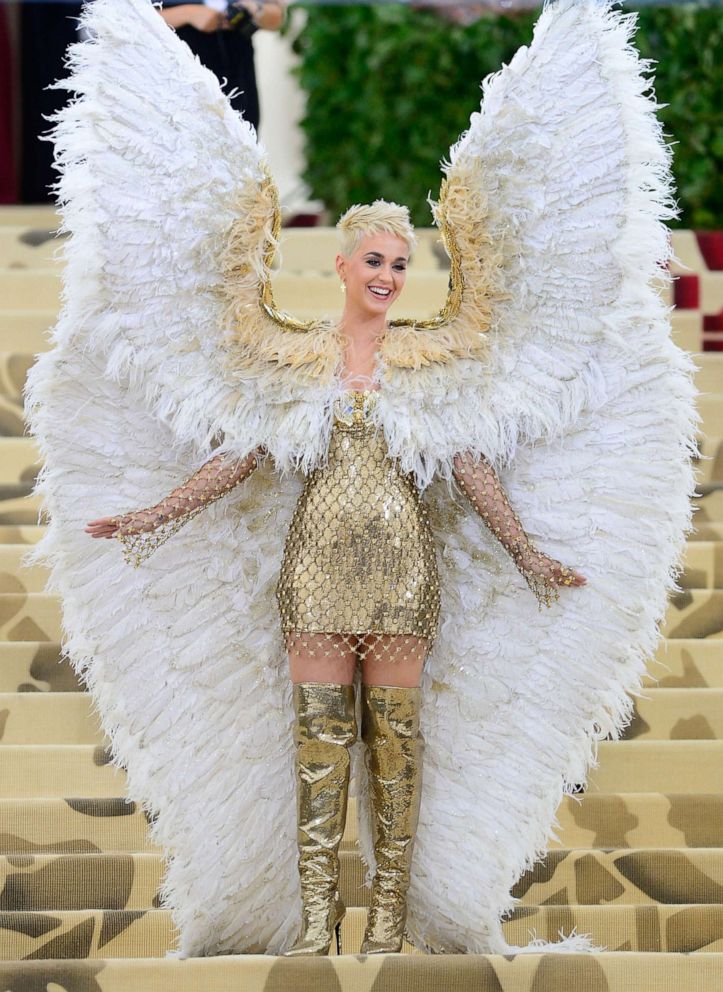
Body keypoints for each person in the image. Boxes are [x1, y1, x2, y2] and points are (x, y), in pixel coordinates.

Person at [25, 0, 698, 960]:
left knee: (398, 753)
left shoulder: (435, 364)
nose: (387, 275)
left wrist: (525, 553)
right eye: (373, 261)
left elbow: (469, 468)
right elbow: (239, 458)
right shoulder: (289, 361)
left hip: (404, 582)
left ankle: (389, 916)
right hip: (313, 580)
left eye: (398, 263)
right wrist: (153, 513)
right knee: (314, 754)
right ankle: (306, 921)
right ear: (341, 265)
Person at [158, 1, 286, 130]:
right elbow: (137, 21)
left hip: (236, 71)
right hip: (174, 72)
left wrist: (256, 9)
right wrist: (187, 14)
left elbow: (276, 18)